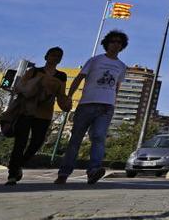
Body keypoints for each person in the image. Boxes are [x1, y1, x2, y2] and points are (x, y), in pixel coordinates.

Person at [55, 30, 129, 185]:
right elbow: (79, 78)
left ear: (122, 46)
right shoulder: (95, 61)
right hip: (87, 104)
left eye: (119, 42)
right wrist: (69, 96)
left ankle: (94, 170)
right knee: (75, 139)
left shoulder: (121, 66)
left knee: (99, 137)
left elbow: (117, 85)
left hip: (106, 107)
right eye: (113, 41)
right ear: (107, 43)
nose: (115, 44)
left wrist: (113, 101)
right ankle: (64, 172)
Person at [5, 47, 72, 185]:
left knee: (37, 143)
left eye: (59, 56)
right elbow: (19, 87)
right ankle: (12, 175)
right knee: (20, 143)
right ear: (46, 57)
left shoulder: (61, 76)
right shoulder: (34, 71)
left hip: (45, 114)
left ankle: (18, 165)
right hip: (26, 111)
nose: (55, 58)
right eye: (53, 55)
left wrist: (65, 104)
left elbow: (60, 95)